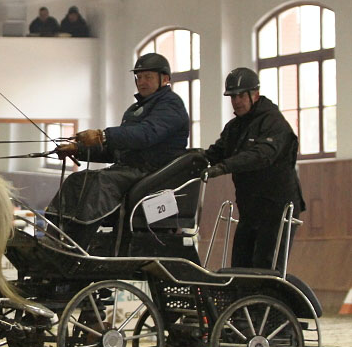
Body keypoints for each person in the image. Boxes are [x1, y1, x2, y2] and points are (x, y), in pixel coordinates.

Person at [48, 53, 190, 250]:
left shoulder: (171, 104)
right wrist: (78, 149)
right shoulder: (136, 109)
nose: (142, 82)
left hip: (153, 173)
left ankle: (78, 246)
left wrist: (102, 135)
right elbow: (118, 149)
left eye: (148, 77)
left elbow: (146, 134)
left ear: (164, 79)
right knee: (75, 181)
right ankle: (53, 239)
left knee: (100, 182)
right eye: (139, 77)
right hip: (129, 170)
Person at [205, 68, 306, 270]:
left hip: (277, 210)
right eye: (232, 97)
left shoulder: (274, 123)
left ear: (255, 94)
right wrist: (190, 159)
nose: (236, 101)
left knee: (265, 268)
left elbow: (262, 155)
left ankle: (266, 301)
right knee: (239, 268)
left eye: (241, 95)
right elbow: (214, 153)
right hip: (250, 210)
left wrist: (224, 167)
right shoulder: (234, 127)